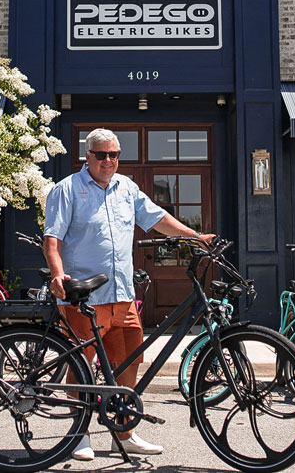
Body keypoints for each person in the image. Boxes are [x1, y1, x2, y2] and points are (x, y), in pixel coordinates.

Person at [42, 127, 214, 461]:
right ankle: (78, 433)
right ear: (87, 157)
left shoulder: (126, 188)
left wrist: (195, 236)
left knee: (131, 360)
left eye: (114, 155)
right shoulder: (67, 190)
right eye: (102, 155)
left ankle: (124, 433)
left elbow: (157, 218)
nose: (109, 161)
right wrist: (57, 273)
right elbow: (53, 238)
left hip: (122, 294)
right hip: (84, 297)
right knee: (82, 363)